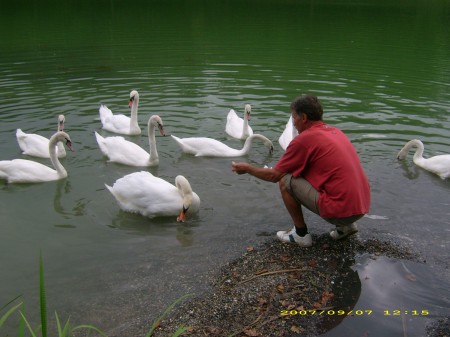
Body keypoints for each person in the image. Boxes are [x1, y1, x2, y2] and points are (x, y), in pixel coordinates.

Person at [231, 94, 370, 247]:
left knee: (285, 180)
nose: (294, 124)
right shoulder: (335, 132)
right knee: (317, 175)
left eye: (294, 118)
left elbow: (274, 176)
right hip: (361, 207)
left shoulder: (304, 140)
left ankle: (301, 234)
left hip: (339, 210)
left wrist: (247, 168)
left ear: (303, 118)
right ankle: (346, 227)